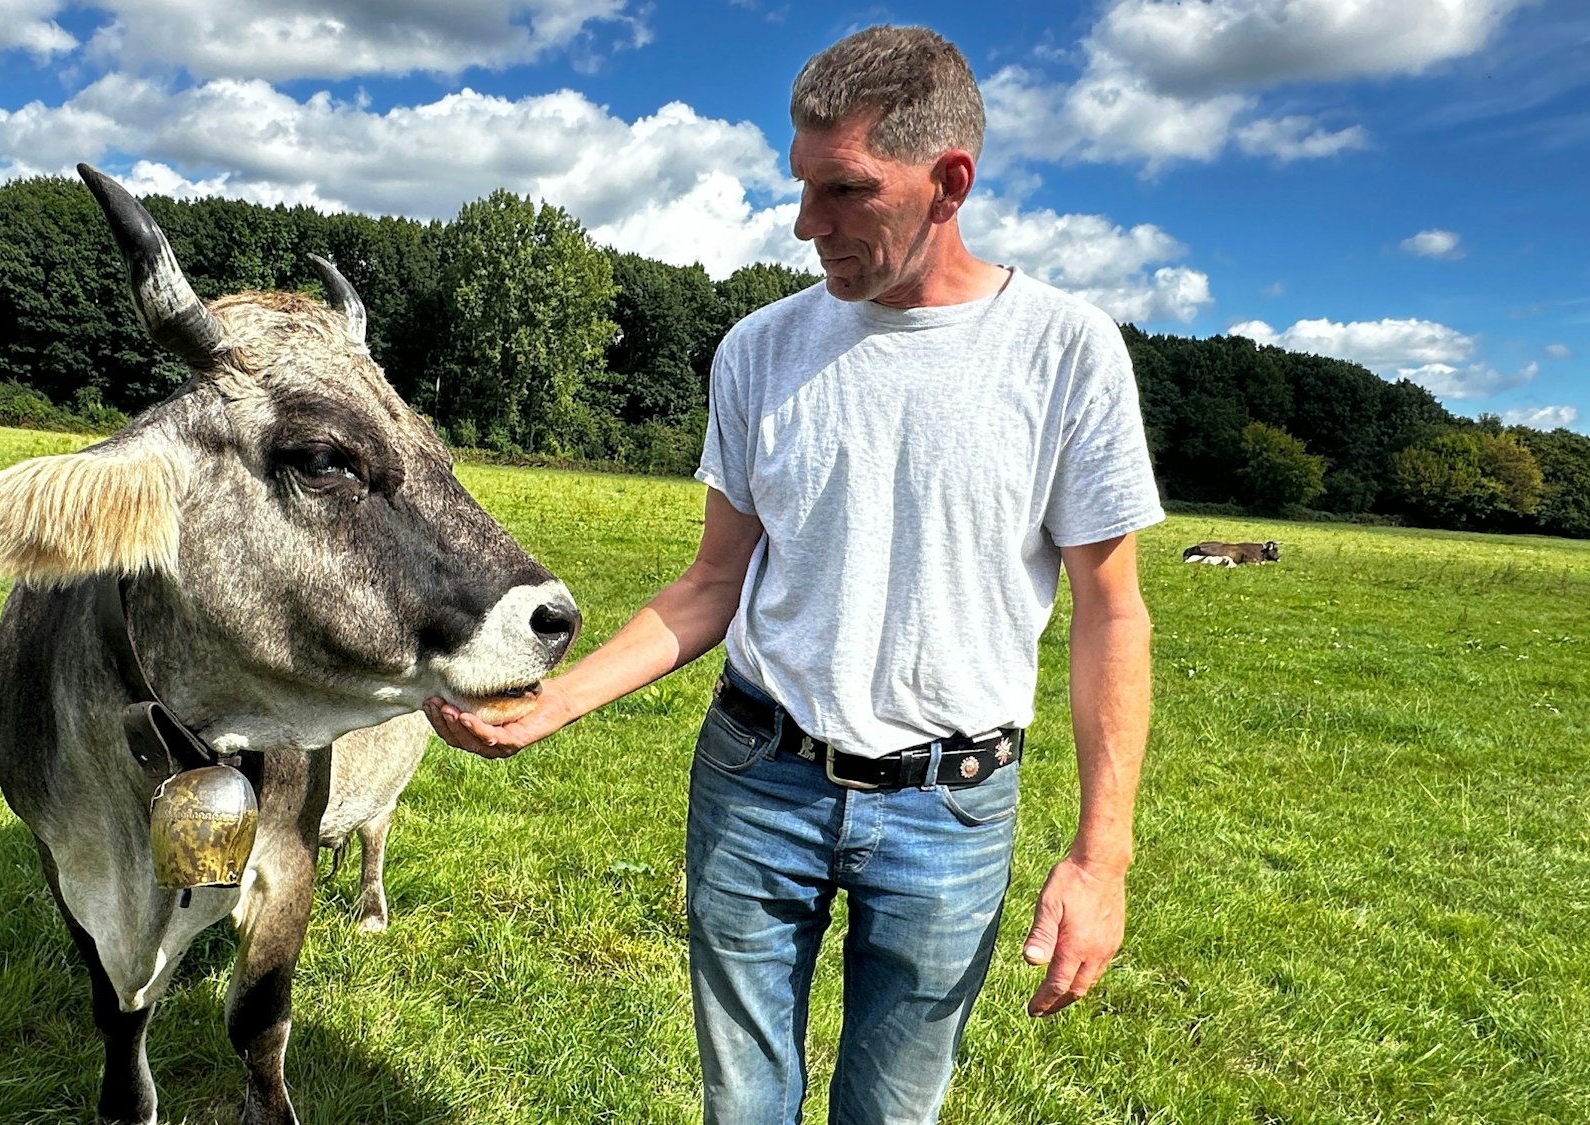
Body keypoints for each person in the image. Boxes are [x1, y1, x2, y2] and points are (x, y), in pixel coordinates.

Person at [425, 23, 1161, 1125]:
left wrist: (1099, 857)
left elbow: (1112, 616)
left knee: (893, 1109)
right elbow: (712, 581)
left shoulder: (1062, 352)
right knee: (742, 1103)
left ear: (947, 181)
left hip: (947, 811)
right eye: (800, 185)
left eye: (844, 191)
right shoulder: (759, 350)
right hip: (756, 776)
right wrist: (553, 703)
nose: (807, 223)